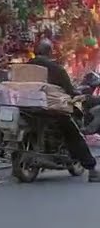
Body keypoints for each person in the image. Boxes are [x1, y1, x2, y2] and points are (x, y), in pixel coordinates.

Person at [29, 38, 99, 182]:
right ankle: (91, 169)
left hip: (27, 107)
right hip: (52, 109)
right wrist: (79, 94)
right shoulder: (56, 69)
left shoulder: (25, 66)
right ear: (49, 52)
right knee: (73, 134)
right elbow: (70, 90)